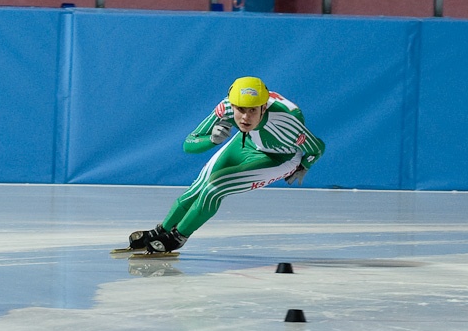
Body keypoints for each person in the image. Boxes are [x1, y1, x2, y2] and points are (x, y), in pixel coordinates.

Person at [128, 76, 325, 254]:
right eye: (240, 109)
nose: (245, 117)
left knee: (215, 187)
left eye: (252, 110)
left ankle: (177, 237)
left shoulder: (286, 123)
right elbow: (189, 144)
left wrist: (304, 166)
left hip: (281, 157)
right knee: (199, 186)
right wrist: (211, 141)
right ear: (233, 105)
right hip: (248, 141)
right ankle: (161, 230)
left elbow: (317, 147)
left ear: (264, 107)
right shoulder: (227, 108)